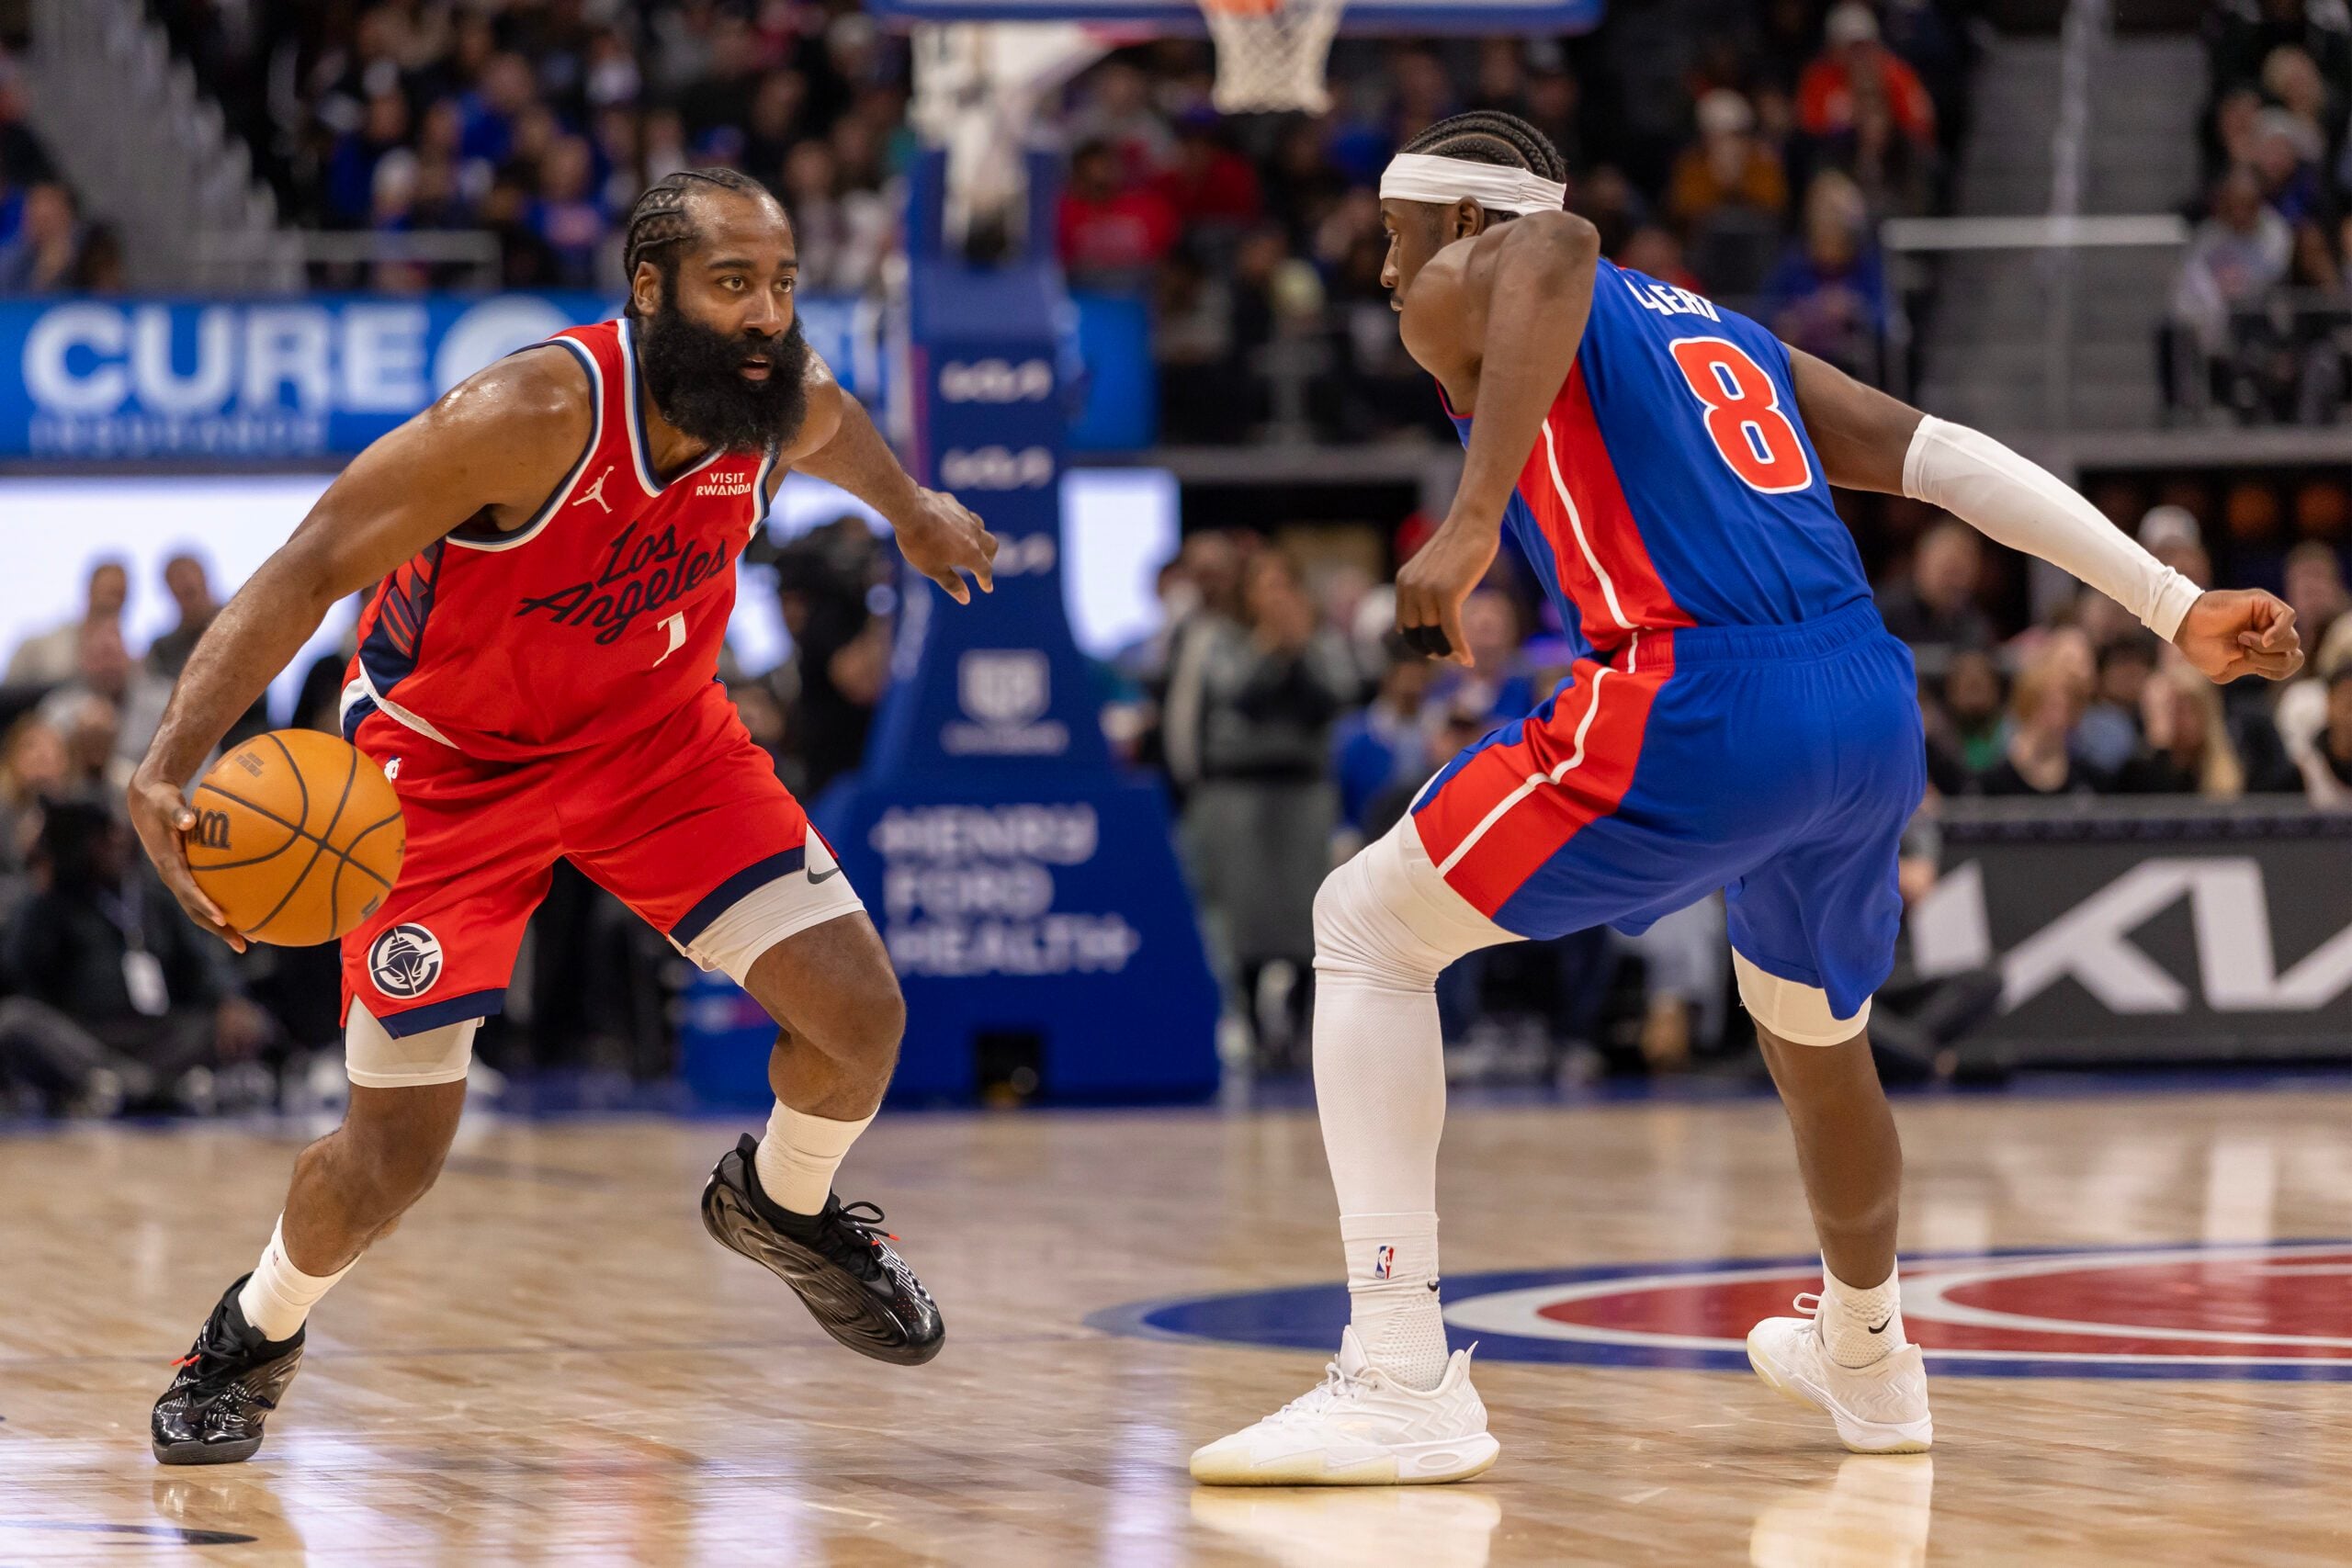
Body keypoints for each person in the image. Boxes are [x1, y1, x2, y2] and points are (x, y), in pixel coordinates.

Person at [1190, 110, 2302, 1485]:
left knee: (1364, 925)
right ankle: (1872, 1351)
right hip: (1862, 701)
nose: (1385, 271)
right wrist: (2171, 600)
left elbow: (1562, 245)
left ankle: (1399, 1367)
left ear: (1468, 224)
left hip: (1697, 695)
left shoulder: (1509, 267)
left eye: (1399, 235)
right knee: (1816, 1038)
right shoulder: (1712, 327)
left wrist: (1475, 517)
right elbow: (1943, 455)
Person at [127, 168, 999, 1466]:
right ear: (649, 293)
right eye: (732, 284)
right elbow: (310, 562)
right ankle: (252, 1329)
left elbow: (838, 425)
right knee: (393, 1155)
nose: (766, 314)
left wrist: (915, 509)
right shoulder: (525, 415)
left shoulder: (774, 400)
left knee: (862, 1015)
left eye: (782, 282)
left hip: (659, 747)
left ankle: (781, 1202)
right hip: (443, 776)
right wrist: (171, 758)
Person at [7, 559, 127, 687]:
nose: (114, 603)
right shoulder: (39, 648)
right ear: (90, 591)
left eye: (121, 595)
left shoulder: (127, 662)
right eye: (110, 592)